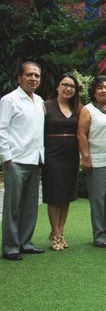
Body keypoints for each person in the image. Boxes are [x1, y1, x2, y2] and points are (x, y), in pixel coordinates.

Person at [1, 62, 45, 261]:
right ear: (19, 77)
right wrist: (6, 157)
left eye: (36, 75)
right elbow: (2, 129)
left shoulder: (39, 101)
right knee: (12, 207)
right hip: (15, 160)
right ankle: (10, 247)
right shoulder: (9, 100)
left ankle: (25, 242)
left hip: (34, 160)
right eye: (29, 75)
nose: (33, 78)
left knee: (30, 206)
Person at [77, 75, 106, 247]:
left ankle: (104, 231)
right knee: (98, 200)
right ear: (94, 91)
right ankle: (99, 236)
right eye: (100, 88)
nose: (104, 90)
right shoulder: (87, 110)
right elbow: (81, 134)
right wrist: (86, 157)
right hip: (97, 161)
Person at [43, 72, 82, 251]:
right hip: (52, 154)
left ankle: (61, 231)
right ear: (57, 87)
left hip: (71, 154)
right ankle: (54, 232)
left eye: (72, 86)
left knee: (66, 194)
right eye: (65, 85)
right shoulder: (46, 106)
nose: (68, 89)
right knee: (54, 194)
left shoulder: (78, 108)